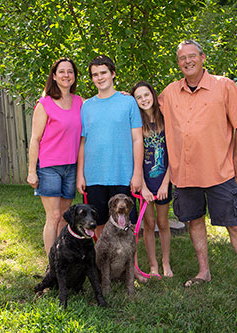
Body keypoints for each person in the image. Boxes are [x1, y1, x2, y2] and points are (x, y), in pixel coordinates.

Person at [159, 40, 237, 296]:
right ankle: (203, 272)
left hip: (219, 171)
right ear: (178, 63)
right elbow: (148, 107)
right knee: (195, 221)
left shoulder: (224, 86)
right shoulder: (171, 92)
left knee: (235, 223)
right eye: (182, 58)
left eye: (192, 56)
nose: (187, 61)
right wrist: (126, 96)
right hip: (185, 174)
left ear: (202, 57)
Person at [76, 55, 147, 282]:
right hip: (95, 175)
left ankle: (131, 268)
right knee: (97, 225)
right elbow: (83, 142)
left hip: (122, 173)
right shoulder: (86, 107)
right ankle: (103, 267)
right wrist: (80, 174)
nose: (99, 78)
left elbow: (137, 139)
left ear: (113, 74)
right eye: (95, 74)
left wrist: (137, 173)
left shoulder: (128, 103)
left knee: (127, 226)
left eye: (103, 73)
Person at [27, 57, 84, 257]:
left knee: (63, 218)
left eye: (70, 71)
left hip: (71, 168)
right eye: (62, 71)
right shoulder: (44, 104)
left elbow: (100, 103)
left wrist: (120, 94)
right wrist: (31, 172)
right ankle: (51, 265)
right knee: (53, 216)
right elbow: (34, 139)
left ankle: (62, 257)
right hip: (49, 168)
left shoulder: (79, 102)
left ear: (74, 76)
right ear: (54, 76)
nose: (66, 75)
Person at [131, 81, 173, 279]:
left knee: (163, 223)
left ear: (153, 95)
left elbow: (174, 154)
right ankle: (153, 265)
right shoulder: (137, 123)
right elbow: (135, 157)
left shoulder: (166, 120)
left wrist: (166, 183)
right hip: (145, 184)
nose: (143, 100)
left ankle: (166, 262)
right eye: (138, 97)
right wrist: (144, 188)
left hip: (163, 181)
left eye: (146, 95)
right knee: (148, 223)